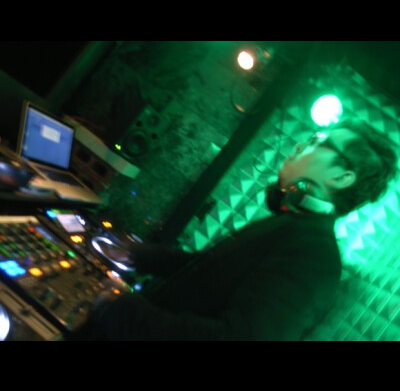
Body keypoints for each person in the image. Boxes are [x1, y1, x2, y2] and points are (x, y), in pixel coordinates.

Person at [67, 118, 398, 341]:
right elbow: (209, 274)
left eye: (318, 141)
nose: (300, 145)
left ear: (342, 177)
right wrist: (139, 256)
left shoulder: (314, 255)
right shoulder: (292, 227)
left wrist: (121, 309)